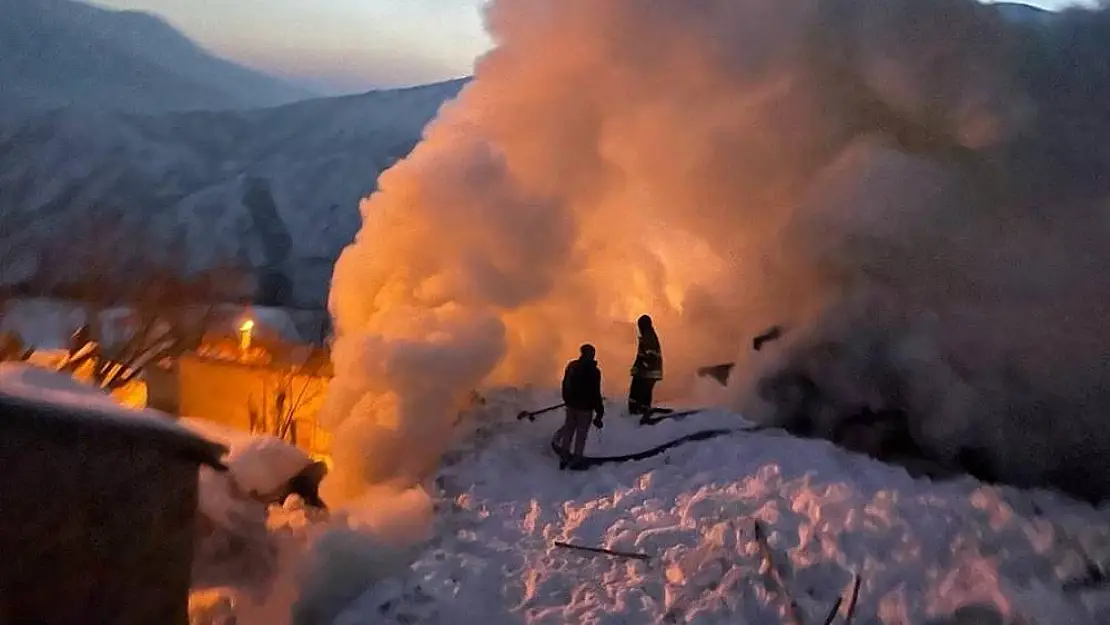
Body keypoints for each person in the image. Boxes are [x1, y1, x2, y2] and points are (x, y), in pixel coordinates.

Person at [554, 343, 605, 469]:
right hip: (585, 409)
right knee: (581, 435)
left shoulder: (572, 366)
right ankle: (577, 460)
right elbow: (595, 392)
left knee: (569, 431)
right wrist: (600, 412)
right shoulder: (594, 371)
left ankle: (564, 458)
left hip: (571, 406)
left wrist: (567, 399)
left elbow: (565, 384)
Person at [628, 314, 663, 421]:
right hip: (647, 372)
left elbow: (650, 356)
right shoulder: (648, 335)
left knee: (638, 392)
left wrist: (642, 367)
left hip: (646, 373)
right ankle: (641, 411)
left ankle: (637, 413)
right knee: (645, 394)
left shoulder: (648, 337)